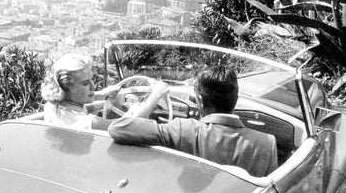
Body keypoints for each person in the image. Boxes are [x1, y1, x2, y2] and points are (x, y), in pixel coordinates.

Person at [108, 65, 278, 177]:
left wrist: (152, 99)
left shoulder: (183, 129)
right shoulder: (267, 144)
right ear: (236, 98)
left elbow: (118, 127)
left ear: (200, 101)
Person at [42, 53, 159, 131]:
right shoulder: (88, 123)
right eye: (85, 83)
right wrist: (156, 96)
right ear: (67, 88)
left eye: (91, 79)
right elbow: (128, 127)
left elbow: (82, 108)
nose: (93, 86)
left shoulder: (51, 107)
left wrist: (102, 96)